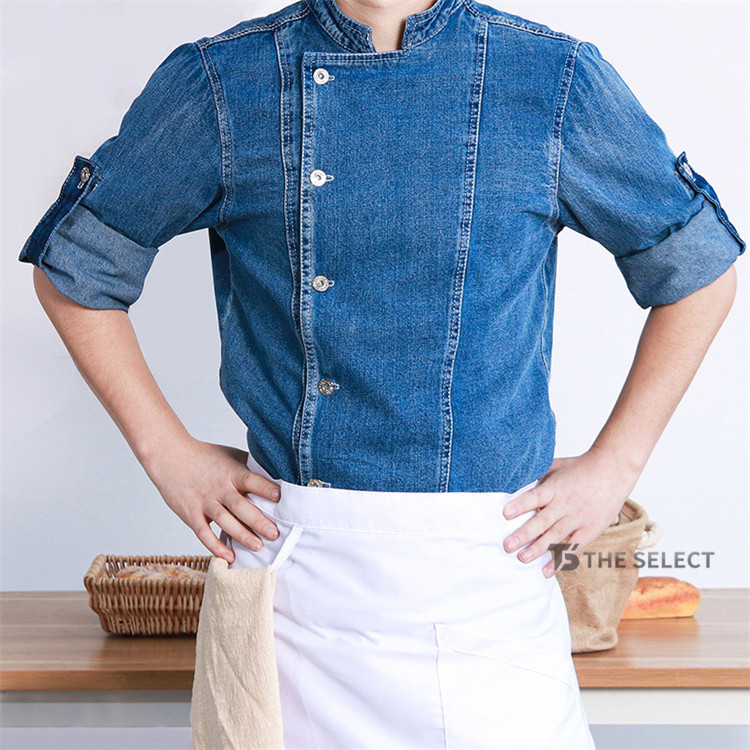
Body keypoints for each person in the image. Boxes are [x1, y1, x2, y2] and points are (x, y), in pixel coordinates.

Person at [19, 0, 745, 748]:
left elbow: (697, 271)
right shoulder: (223, 81)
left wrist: (615, 465)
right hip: (294, 593)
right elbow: (78, 269)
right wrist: (165, 453)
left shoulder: (551, 78)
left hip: (489, 588)